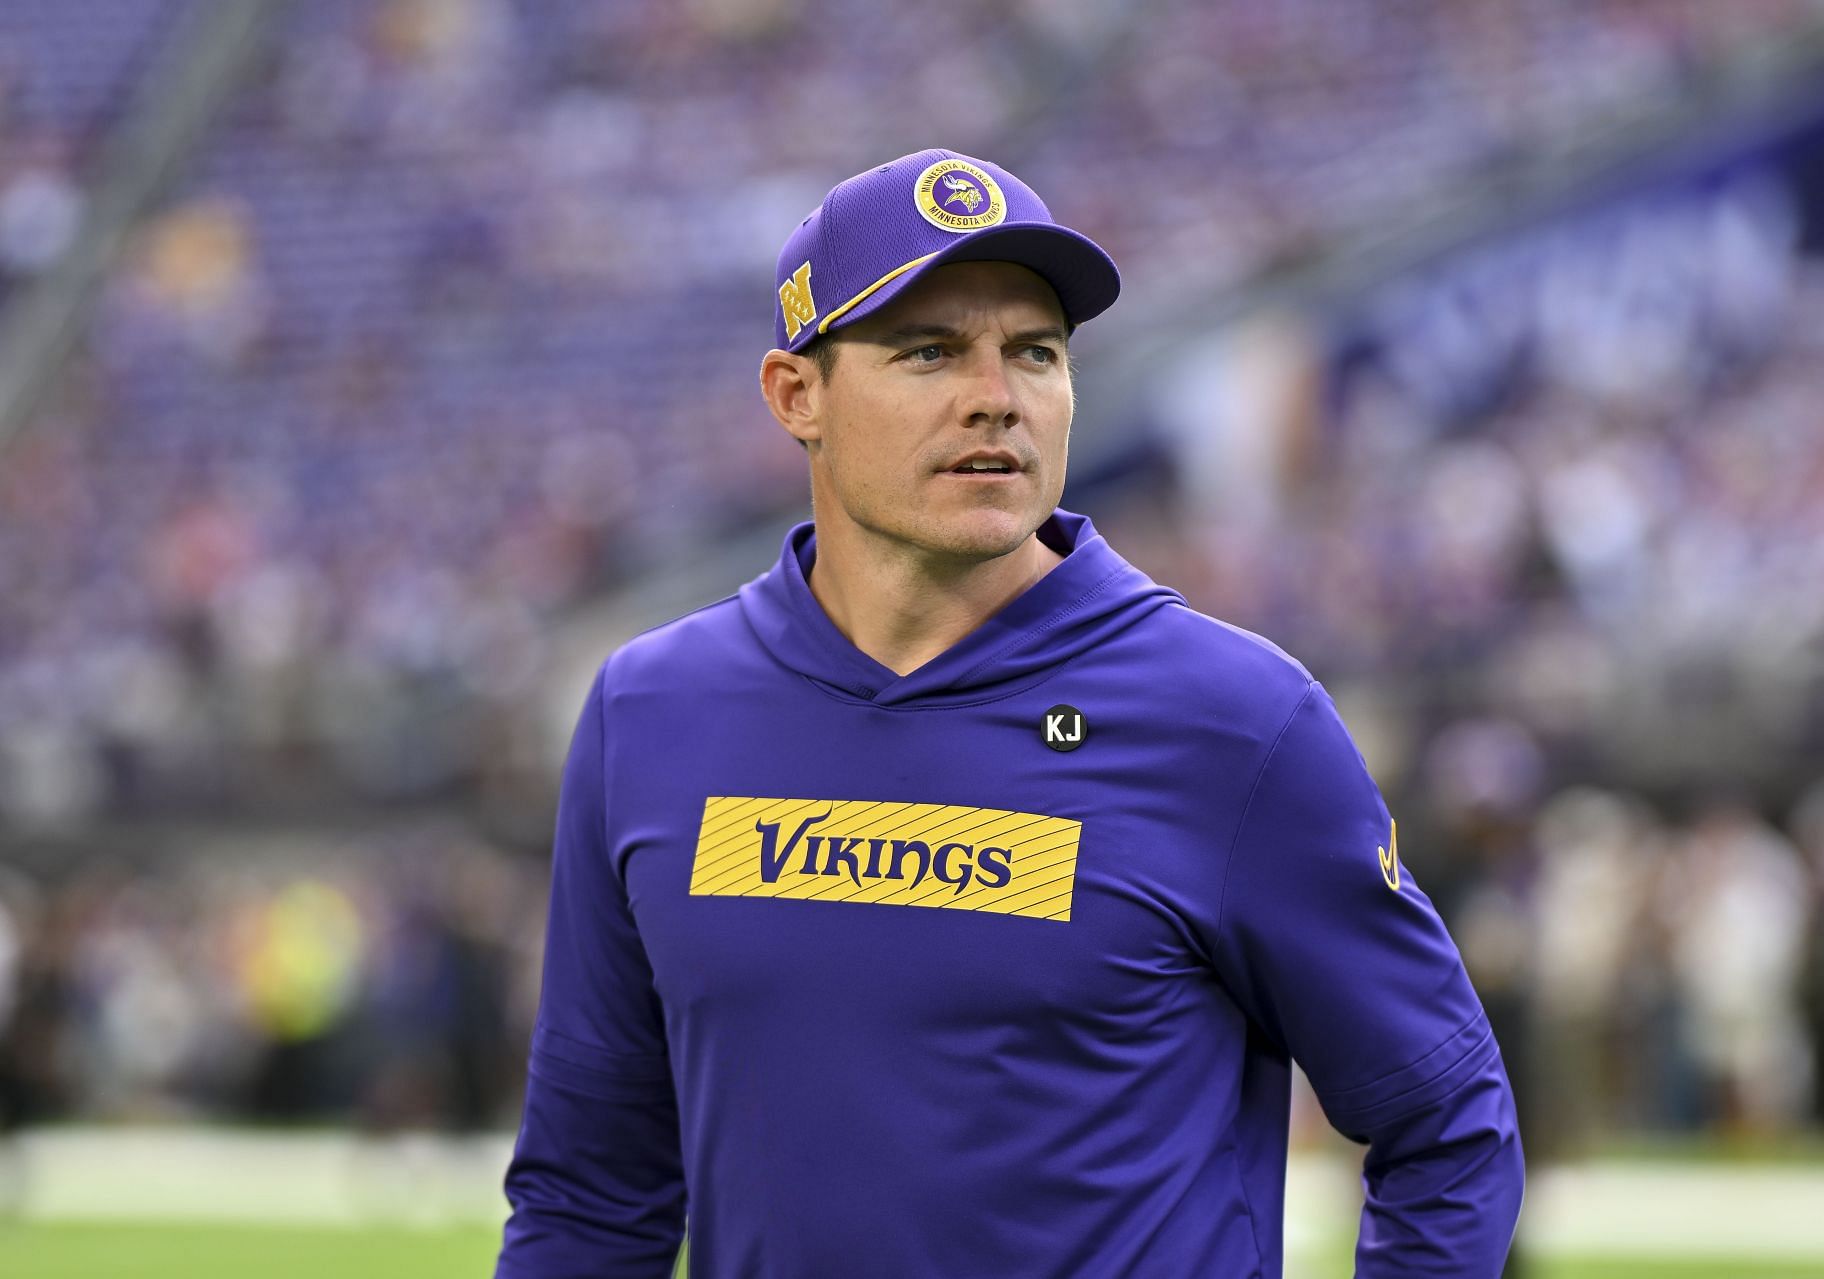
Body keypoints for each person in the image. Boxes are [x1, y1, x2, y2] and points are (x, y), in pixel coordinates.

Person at [496, 148, 1523, 1278]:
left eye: (1034, 351)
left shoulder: (1235, 721)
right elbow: (591, 1190)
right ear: (798, 397)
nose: (996, 394)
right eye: (929, 350)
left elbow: (1449, 1127)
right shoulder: (651, 711)